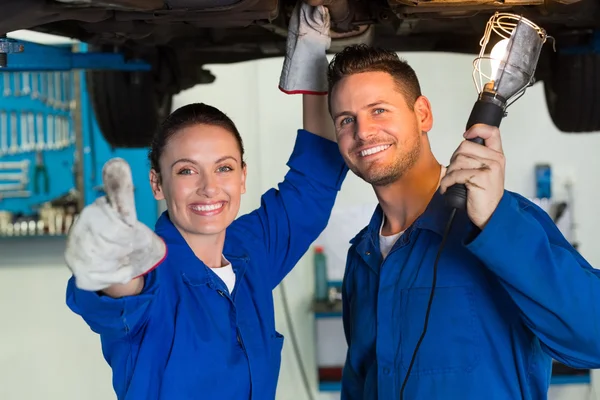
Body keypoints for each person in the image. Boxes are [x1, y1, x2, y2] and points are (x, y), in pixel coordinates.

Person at [63, 3, 346, 399]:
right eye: (186, 170)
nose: (209, 187)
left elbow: (313, 185)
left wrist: (314, 60)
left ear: (243, 177)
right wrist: (108, 264)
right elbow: (122, 292)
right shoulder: (151, 272)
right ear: (157, 184)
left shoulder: (252, 248)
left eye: (224, 168)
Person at [325, 44, 600, 399]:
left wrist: (495, 223)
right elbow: (360, 384)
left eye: (379, 110)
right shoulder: (361, 258)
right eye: (346, 120)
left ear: (422, 114)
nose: (362, 132)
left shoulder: (501, 222)